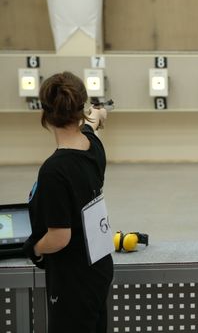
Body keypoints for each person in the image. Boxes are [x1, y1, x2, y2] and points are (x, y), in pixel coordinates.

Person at [22, 72, 113, 333]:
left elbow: (59, 237)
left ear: (45, 115)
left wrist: (34, 248)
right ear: (80, 109)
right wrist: (98, 115)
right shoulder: (93, 147)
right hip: (97, 271)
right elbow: (92, 125)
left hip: (72, 282)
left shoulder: (54, 171)